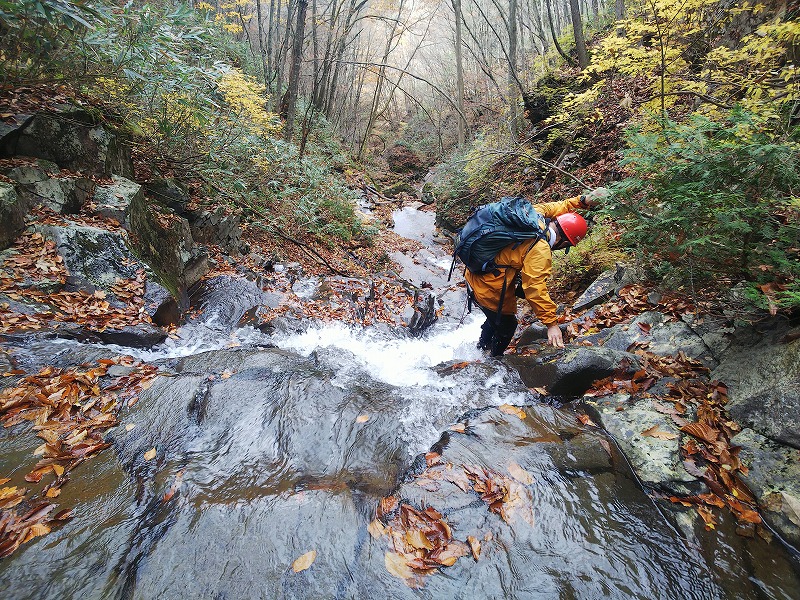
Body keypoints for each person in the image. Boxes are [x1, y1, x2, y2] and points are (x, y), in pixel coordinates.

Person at [465, 188, 608, 356]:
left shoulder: (534, 215)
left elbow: (559, 205)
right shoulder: (540, 248)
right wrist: (552, 324)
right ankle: (492, 360)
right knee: (508, 324)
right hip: (489, 288)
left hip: (475, 273)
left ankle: (481, 347)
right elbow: (534, 288)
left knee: (496, 318)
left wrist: (582, 201)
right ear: (564, 242)